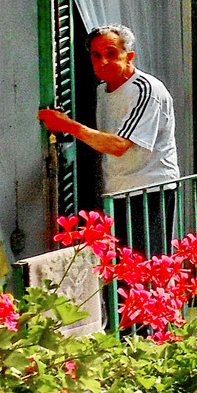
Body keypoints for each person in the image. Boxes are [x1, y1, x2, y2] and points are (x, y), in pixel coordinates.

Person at [38, 24, 179, 254]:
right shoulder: (102, 92)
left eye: (111, 53)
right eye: (96, 55)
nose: (103, 61)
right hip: (115, 191)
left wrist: (67, 125)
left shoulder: (146, 90)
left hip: (147, 192)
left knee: (145, 266)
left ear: (129, 56)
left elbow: (118, 145)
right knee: (119, 269)